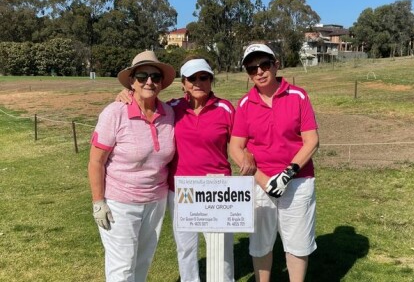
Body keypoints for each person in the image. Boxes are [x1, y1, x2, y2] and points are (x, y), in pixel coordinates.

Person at [117, 56, 255, 282]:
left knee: (220, 251)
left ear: (211, 81)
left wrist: (246, 155)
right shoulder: (172, 108)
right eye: (192, 78)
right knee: (186, 250)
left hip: (218, 189)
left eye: (204, 77)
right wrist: (127, 95)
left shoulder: (225, 108)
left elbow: (240, 143)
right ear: (183, 83)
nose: (198, 82)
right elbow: (144, 103)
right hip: (182, 191)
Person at [228, 43, 319, 282]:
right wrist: (264, 180)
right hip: (261, 185)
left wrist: (287, 174)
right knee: (260, 244)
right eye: (251, 68)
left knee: (297, 245)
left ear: (275, 65)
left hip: (297, 182)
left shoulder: (298, 95)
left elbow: (311, 141)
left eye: (264, 64)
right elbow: (235, 146)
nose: (258, 71)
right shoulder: (245, 104)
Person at [88, 50, 176, 282]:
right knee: (123, 267)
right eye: (142, 76)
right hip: (120, 203)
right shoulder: (115, 112)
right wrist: (98, 202)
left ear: (161, 83)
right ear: (132, 82)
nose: (149, 81)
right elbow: (96, 161)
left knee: (142, 262)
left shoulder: (169, 113)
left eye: (155, 77)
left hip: (156, 202)